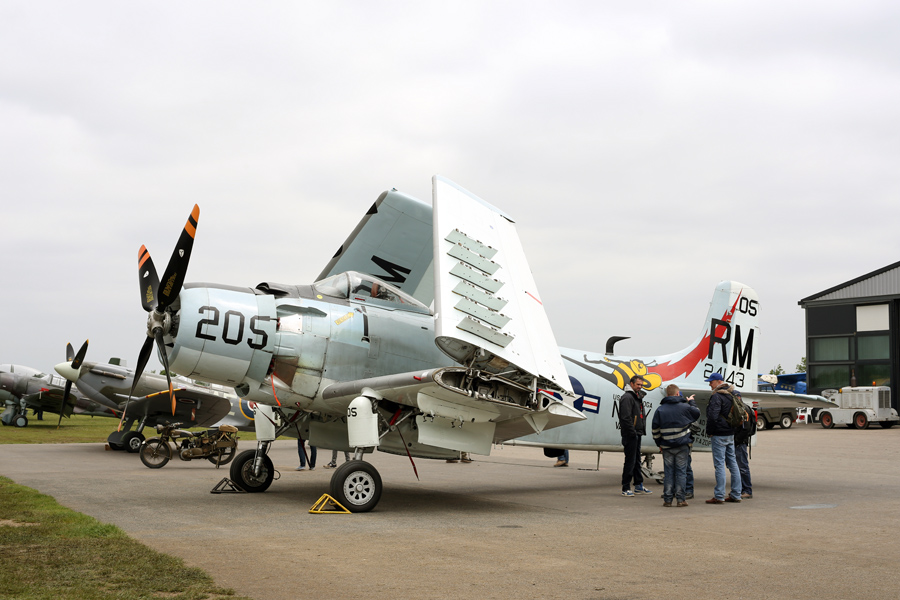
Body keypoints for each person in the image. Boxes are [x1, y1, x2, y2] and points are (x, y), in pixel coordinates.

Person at [652, 384, 701, 507]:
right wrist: (691, 402)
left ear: (667, 395)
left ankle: (667, 499)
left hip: (667, 446)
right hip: (682, 445)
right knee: (681, 472)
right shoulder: (685, 407)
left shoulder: (660, 409)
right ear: (678, 394)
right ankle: (680, 499)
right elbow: (697, 414)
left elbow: (655, 430)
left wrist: (659, 444)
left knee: (668, 473)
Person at [704, 373, 742, 504]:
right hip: (730, 433)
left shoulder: (717, 396)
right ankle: (736, 494)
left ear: (718, 381)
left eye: (711, 382)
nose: (710, 384)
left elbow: (713, 416)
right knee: (733, 463)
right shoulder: (734, 394)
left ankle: (719, 495)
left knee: (719, 464)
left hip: (719, 434)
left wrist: (709, 431)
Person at [619, 375, 652, 496]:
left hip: (637, 433)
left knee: (636, 460)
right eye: (638, 384)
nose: (640, 387)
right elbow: (625, 417)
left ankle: (639, 485)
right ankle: (625, 487)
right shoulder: (627, 397)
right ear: (632, 384)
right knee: (630, 461)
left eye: (641, 385)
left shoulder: (637, 397)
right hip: (631, 435)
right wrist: (632, 432)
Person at [733, 389, 755, 499]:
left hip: (740, 442)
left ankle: (747, 489)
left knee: (742, 466)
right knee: (740, 466)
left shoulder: (743, 409)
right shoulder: (746, 407)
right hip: (741, 441)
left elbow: (745, 428)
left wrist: (736, 440)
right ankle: (743, 489)